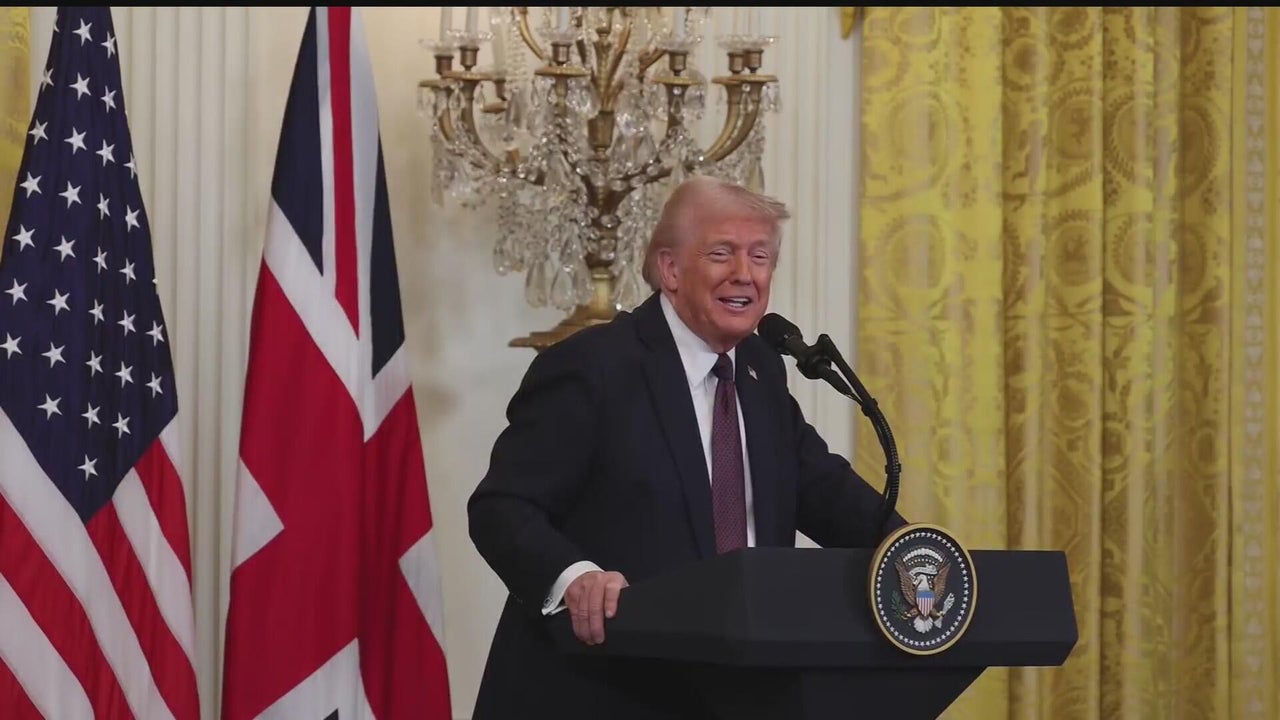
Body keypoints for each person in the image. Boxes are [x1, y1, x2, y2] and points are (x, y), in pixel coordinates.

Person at [468, 175, 905, 720]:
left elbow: (825, 489)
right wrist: (575, 577)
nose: (744, 273)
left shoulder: (760, 370)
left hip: (734, 694)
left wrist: (917, 556)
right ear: (670, 269)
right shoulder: (595, 366)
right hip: (598, 691)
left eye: (760, 256)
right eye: (721, 253)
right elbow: (502, 507)